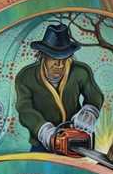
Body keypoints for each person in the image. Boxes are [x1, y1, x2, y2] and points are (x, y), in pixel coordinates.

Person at [15, 23, 104, 152]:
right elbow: (25, 110)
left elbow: (94, 96)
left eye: (64, 58)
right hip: (42, 143)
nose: (59, 64)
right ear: (42, 56)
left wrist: (89, 112)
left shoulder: (81, 71)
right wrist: (43, 130)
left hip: (78, 140)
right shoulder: (26, 77)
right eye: (53, 58)